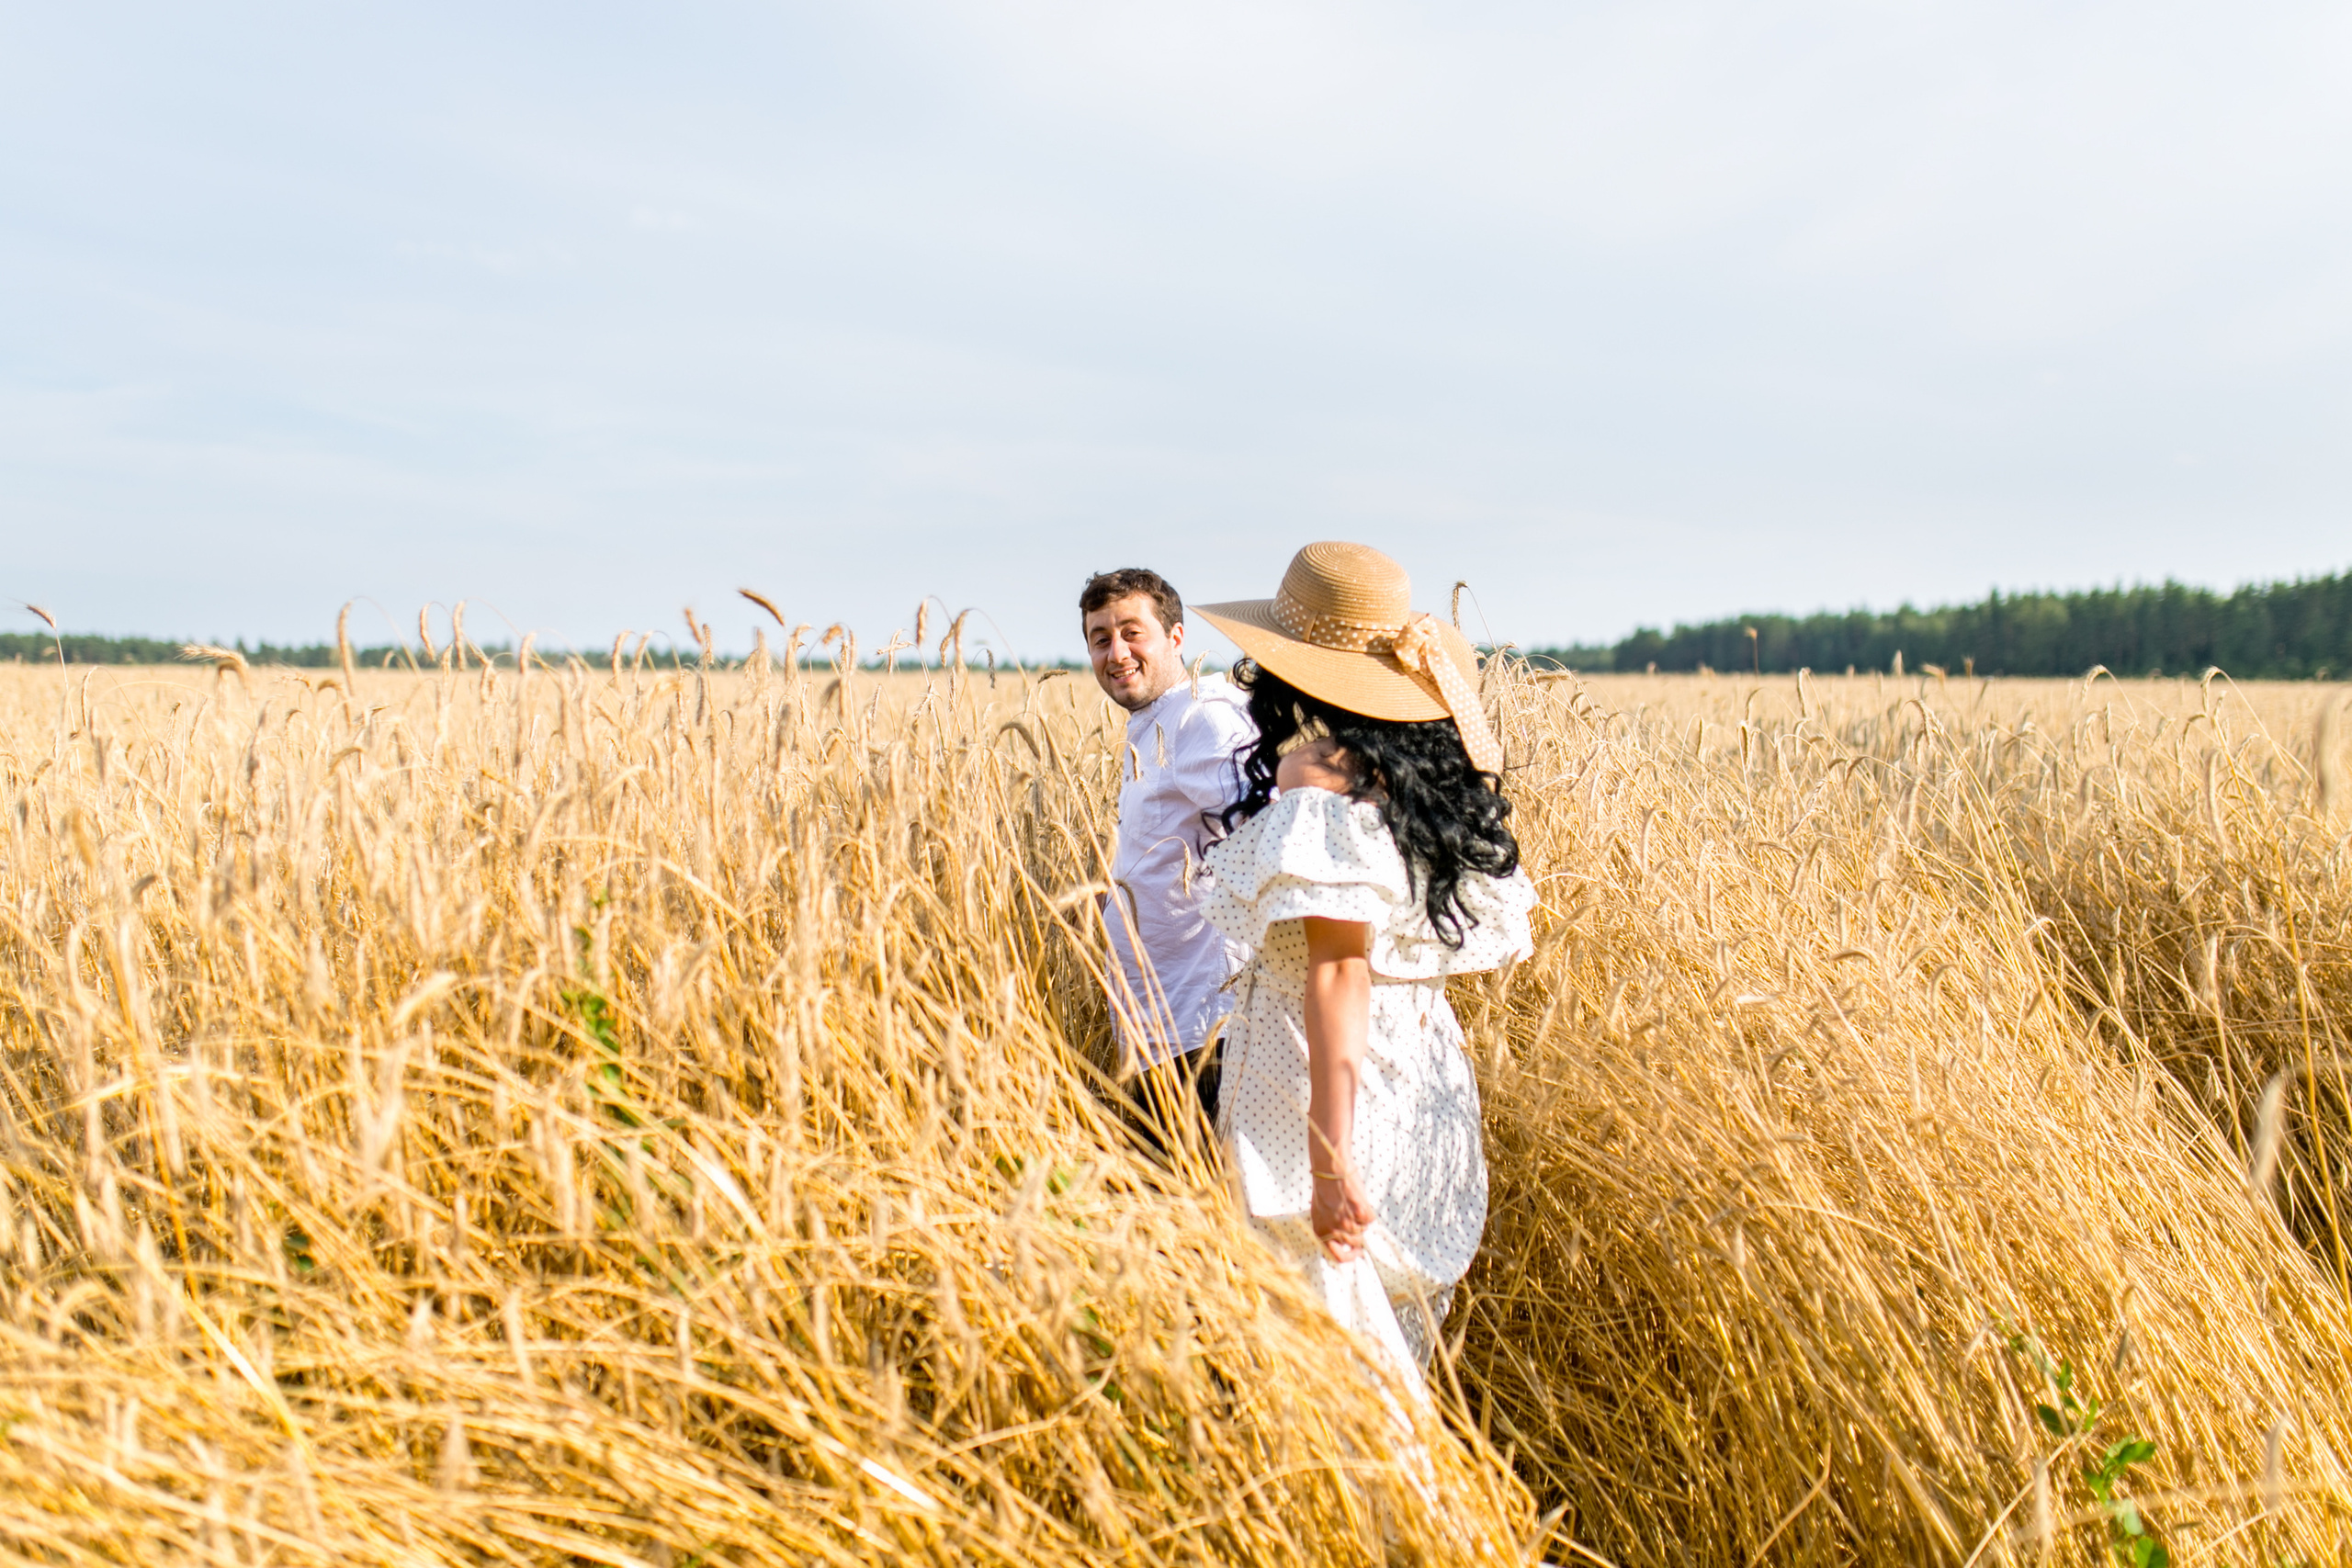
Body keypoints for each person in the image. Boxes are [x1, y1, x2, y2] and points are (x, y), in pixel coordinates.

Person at [1192, 541, 1533, 1391]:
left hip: (1322, 1099)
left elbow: (1339, 971)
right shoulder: (1423, 789)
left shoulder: (1320, 789)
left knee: (1325, 1386)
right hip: (1421, 1089)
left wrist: (1328, 1162)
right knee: (1385, 1366)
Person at [1080, 568, 1256, 1140]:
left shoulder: (1201, 719)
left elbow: (1267, 834)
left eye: (1133, 632)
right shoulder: (1155, 726)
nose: (1117, 652)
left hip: (1206, 1031)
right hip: (1159, 1030)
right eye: (1101, 638)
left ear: (1176, 638)